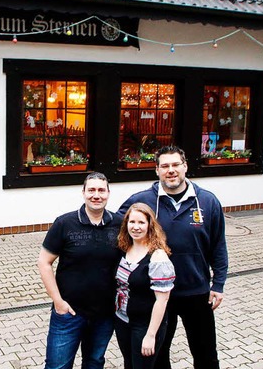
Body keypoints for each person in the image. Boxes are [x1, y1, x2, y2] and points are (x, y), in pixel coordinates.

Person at [118, 145, 228, 369]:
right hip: (156, 296)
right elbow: (116, 232)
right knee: (158, 358)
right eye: (165, 166)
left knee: (206, 355)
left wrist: (218, 284)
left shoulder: (207, 201)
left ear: (185, 166)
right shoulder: (141, 201)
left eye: (176, 165)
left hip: (196, 291)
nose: (171, 170)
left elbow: (218, 245)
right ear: (156, 170)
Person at [38, 172, 123, 369]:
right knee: (57, 366)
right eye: (91, 190)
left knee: (94, 363)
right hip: (69, 313)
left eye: (101, 190)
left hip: (105, 314)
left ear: (108, 193)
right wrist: (58, 302)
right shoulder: (64, 223)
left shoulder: (119, 224)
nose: (96, 195)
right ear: (83, 193)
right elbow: (44, 262)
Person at [115, 203, 175, 369]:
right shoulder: (125, 248)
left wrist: (151, 335)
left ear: (150, 225)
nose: (135, 227)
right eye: (131, 222)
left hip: (145, 326)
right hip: (123, 321)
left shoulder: (157, 257)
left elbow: (162, 301)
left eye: (141, 222)